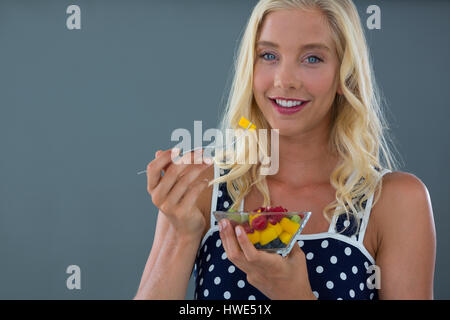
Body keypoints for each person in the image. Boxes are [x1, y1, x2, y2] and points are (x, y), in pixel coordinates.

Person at [134, 0, 436, 300]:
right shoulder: (203, 189)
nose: (284, 80)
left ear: (345, 76)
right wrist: (181, 234)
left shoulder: (396, 203)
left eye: (312, 59)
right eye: (268, 55)